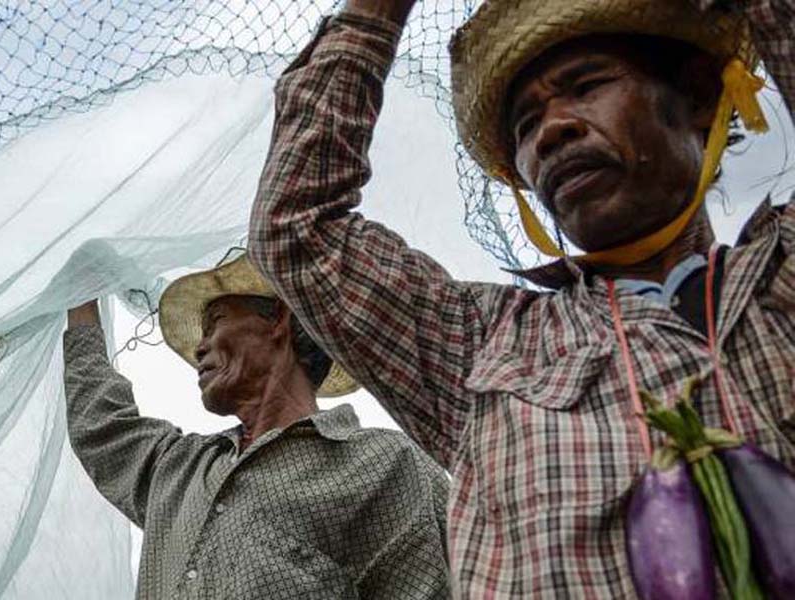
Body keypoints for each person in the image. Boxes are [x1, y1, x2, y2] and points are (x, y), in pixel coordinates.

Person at [249, 0, 794, 595]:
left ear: (698, 100)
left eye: (587, 85)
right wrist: (376, 11)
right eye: (526, 126)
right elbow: (298, 231)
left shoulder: (779, 279)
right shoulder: (483, 344)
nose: (552, 132)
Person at [62, 252, 451, 599]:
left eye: (215, 323)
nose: (200, 347)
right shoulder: (181, 471)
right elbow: (103, 427)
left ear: (278, 320)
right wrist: (81, 299)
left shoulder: (388, 465)